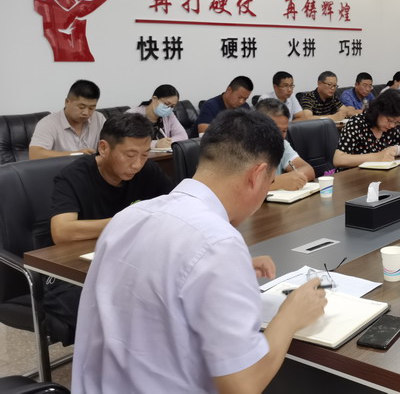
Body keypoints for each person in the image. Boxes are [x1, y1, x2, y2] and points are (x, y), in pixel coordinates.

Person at [72, 110, 327, 393]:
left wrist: (226, 272)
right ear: (257, 176)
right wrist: (290, 316)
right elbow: (243, 386)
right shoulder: (217, 244)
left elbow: (157, 274)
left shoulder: (128, 217)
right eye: (269, 183)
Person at [46, 112, 174, 345]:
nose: (137, 164)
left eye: (145, 155)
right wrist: (127, 219)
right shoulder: (73, 176)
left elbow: (176, 206)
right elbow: (62, 231)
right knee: (120, 312)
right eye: (129, 155)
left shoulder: (146, 171)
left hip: (126, 263)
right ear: (104, 148)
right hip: (74, 274)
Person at [333, 90, 400, 169]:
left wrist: (393, 150)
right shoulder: (357, 123)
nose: (392, 125)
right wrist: (377, 156)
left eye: (397, 122)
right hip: (352, 176)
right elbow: (338, 159)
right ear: (378, 111)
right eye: (389, 120)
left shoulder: (389, 128)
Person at [29, 79, 106, 159]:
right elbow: (35, 155)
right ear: (67, 102)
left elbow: (111, 146)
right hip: (61, 167)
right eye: (81, 107)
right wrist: (76, 154)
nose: (86, 113)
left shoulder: (99, 119)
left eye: (91, 108)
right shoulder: (48, 123)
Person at [254, 98, 315, 189]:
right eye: (276, 130)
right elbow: (243, 187)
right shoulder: (242, 147)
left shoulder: (282, 145)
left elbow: (309, 170)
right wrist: (279, 182)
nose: (281, 136)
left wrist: (291, 177)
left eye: (284, 131)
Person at [126, 83, 188, 148]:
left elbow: (183, 136)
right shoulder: (132, 115)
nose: (169, 108)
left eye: (172, 106)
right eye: (166, 104)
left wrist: (167, 142)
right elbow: (129, 142)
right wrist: (156, 144)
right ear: (154, 99)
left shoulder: (169, 115)